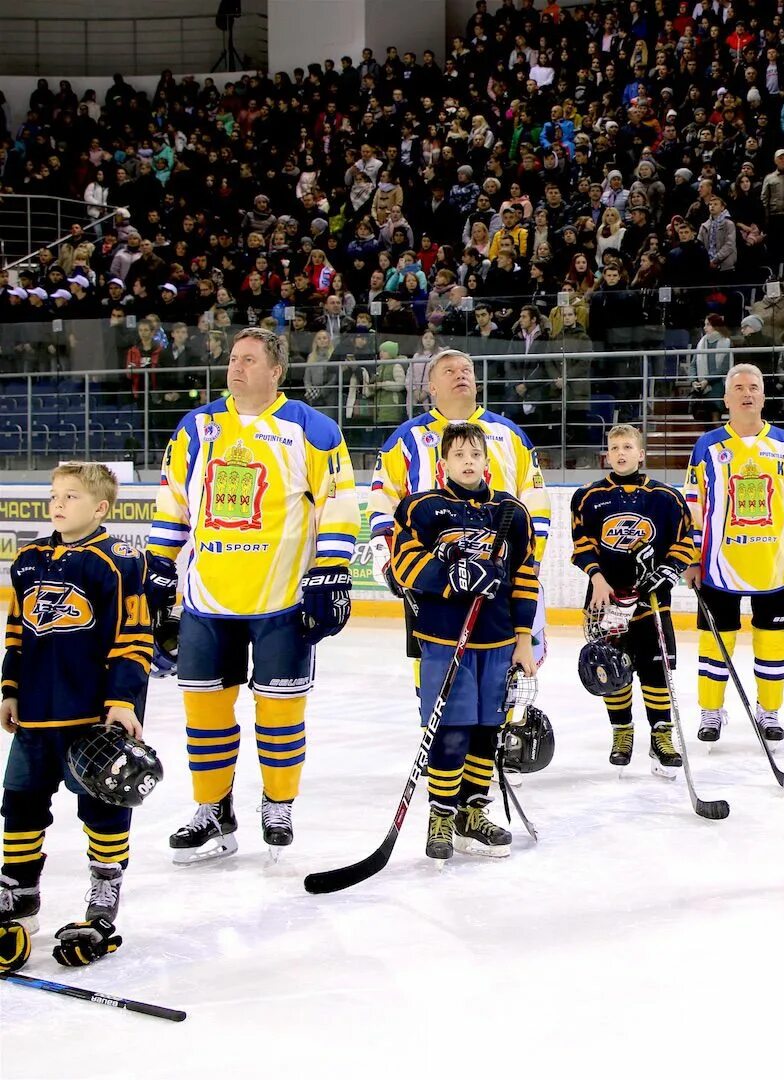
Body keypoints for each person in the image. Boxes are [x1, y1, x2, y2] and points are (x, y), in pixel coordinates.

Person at [145, 328, 359, 864]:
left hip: (282, 602)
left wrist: (330, 570)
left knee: (280, 710)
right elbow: (174, 498)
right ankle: (213, 812)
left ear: (276, 371)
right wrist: (159, 565)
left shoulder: (312, 428)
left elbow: (338, 503)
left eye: (248, 360)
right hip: (207, 602)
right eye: (233, 359)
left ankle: (278, 802)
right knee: (205, 712)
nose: (236, 368)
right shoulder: (198, 426)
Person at [1, 464, 152, 964]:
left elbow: (134, 637)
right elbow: (17, 634)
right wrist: (9, 690)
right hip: (35, 717)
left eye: (70, 496)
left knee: (104, 808)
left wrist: (122, 701)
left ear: (101, 508)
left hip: (93, 720)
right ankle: (19, 896)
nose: (57, 504)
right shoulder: (28, 559)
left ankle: (102, 900)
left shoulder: (118, 562)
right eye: (53, 496)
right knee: (20, 804)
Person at [390, 423, 539, 863]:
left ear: (487, 461)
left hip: (496, 639)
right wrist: (451, 578)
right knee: (451, 729)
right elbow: (402, 565)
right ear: (444, 465)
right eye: (459, 455)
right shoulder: (421, 508)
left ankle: (472, 812)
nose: (468, 461)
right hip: (443, 638)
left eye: (475, 454)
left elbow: (525, 577)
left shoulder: (511, 512)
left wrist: (524, 638)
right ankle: (441, 813)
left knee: (486, 729)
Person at [367, 349, 551, 692]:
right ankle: (436, 733)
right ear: (431, 387)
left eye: (467, 369)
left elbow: (535, 501)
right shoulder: (406, 439)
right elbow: (382, 500)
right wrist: (386, 557)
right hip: (433, 575)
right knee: (434, 665)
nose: (460, 374)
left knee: (503, 667)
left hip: (499, 573)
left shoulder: (509, 434)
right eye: (449, 370)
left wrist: (532, 559)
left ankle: (495, 738)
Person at [682, 364, 784, 742]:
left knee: (772, 643)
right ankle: (711, 711)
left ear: (764, 396)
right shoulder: (707, 445)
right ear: (726, 398)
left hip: (777, 566)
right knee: (715, 643)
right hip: (719, 566)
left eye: (754, 386)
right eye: (738, 387)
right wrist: (691, 557)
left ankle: (768, 712)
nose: (746, 393)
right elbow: (694, 504)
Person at [569, 425, 697, 771]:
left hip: (653, 602)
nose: (621, 452)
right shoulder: (588, 497)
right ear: (607, 454)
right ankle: (622, 731)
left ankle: (661, 735)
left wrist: (668, 571)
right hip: (607, 602)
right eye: (615, 447)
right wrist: (596, 578)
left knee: (657, 670)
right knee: (612, 669)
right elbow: (582, 546)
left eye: (628, 446)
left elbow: (685, 542)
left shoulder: (666, 498)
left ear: (641, 454)